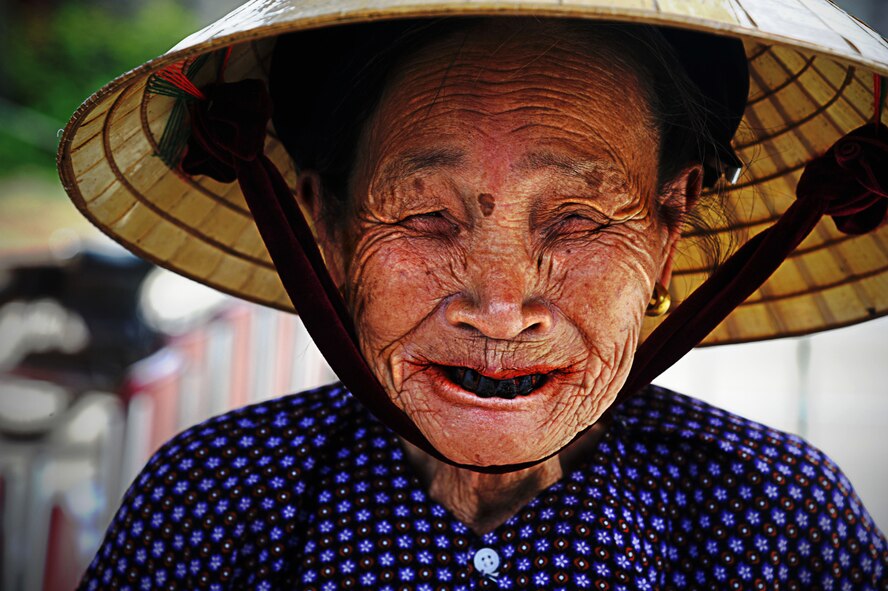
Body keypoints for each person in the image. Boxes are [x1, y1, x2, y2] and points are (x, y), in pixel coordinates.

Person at [58, 1, 888, 589]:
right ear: (329, 225)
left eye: (579, 218)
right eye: (425, 214)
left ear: (668, 228)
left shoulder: (778, 510)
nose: (499, 307)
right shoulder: (214, 496)